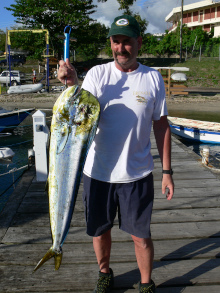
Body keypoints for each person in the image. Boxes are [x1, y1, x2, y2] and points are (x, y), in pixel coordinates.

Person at [58, 14, 174, 293]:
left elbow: (161, 125)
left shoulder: (153, 77)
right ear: (110, 43)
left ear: (139, 43)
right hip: (98, 172)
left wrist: (167, 171)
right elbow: (79, 112)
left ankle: (146, 283)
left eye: (127, 42)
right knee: (100, 231)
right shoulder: (98, 75)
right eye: (116, 42)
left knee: (141, 236)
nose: (121, 48)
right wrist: (72, 83)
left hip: (137, 173)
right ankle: (104, 272)